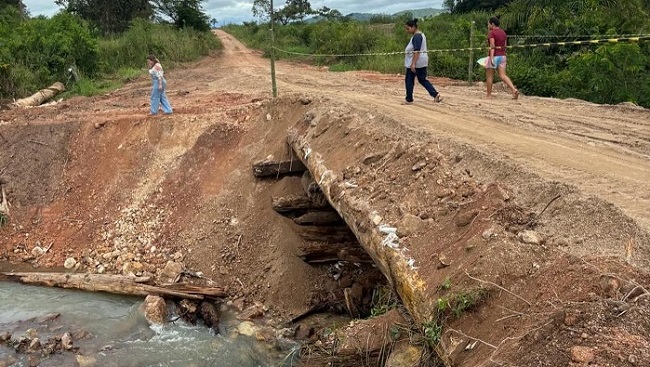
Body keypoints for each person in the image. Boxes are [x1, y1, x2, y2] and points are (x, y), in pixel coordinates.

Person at [403, 18, 442, 105]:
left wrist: (413, 64)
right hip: (421, 62)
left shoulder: (417, 37)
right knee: (422, 80)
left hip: (415, 63)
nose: (407, 31)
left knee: (409, 80)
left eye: (408, 28)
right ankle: (435, 94)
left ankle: (409, 99)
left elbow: (417, 51)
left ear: (413, 27)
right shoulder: (421, 35)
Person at [486, 17, 519, 99]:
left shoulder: (491, 33)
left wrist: (492, 58)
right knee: (503, 75)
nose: (488, 25)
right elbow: (504, 45)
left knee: (489, 76)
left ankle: (489, 95)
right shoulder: (503, 33)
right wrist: (504, 55)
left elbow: (492, 46)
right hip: (503, 56)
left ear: (492, 24)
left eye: (488, 24)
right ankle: (514, 90)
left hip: (494, 56)